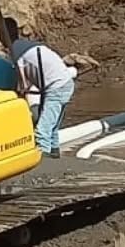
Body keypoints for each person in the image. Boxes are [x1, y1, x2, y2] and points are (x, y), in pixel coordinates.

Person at [7, 22, 75, 157]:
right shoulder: (25, 45)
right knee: (52, 125)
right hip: (64, 82)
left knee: (42, 130)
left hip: (56, 86)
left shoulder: (16, 50)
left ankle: (43, 160)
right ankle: (54, 152)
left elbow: (23, 84)